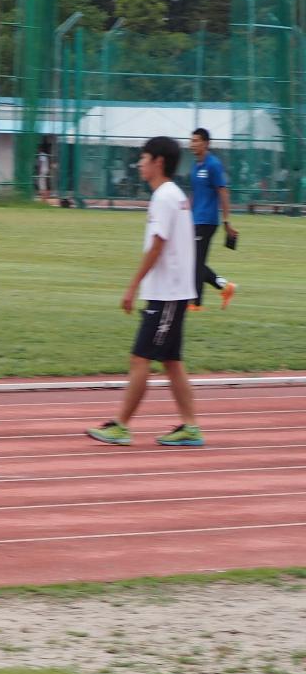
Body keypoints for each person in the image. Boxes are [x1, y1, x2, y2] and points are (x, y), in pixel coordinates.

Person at [86, 135, 203, 449]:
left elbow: (158, 245)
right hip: (173, 293)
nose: (139, 164)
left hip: (167, 295)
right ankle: (190, 427)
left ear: (158, 162)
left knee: (140, 359)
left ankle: (122, 425)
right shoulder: (174, 194)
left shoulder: (164, 197)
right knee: (171, 361)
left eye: (143, 158)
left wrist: (133, 285)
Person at [186, 128, 238, 310]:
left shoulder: (213, 165)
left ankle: (196, 303)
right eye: (191, 141)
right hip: (194, 219)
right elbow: (195, 192)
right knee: (193, 261)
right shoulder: (195, 166)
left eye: (196, 141)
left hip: (207, 221)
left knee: (196, 262)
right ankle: (225, 286)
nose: (192, 144)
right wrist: (185, 210)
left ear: (206, 144)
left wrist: (226, 221)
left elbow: (223, 192)